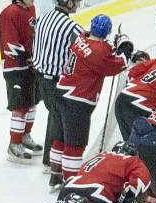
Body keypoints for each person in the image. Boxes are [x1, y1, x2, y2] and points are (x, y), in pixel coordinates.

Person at [55, 15, 132, 182]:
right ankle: (70, 182)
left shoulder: (81, 37)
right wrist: (125, 45)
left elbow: (102, 50)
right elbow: (119, 63)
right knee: (75, 144)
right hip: (77, 99)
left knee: (61, 136)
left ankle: (55, 173)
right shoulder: (99, 51)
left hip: (62, 92)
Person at [33, 0, 84, 187]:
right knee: (59, 119)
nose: (78, 5)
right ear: (69, 2)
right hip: (56, 81)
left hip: (40, 78)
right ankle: (51, 163)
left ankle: (51, 160)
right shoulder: (71, 27)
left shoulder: (43, 17)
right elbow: (87, 45)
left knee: (55, 115)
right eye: (76, 2)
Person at [0, 0, 43, 164]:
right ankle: (14, 144)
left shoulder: (31, 9)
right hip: (15, 68)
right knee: (20, 107)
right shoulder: (9, 13)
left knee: (32, 102)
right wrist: (28, 58)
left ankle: (25, 136)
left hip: (30, 66)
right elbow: (10, 45)